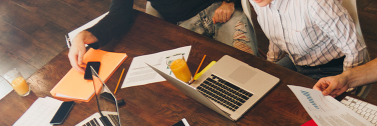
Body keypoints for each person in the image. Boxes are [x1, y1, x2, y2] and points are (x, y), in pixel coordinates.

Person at [68, 0, 258, 72]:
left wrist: (229, 1)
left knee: (247, 70)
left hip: (221, 11)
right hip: (182, 28)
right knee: (203, 85)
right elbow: (119, 13)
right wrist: (86, 34)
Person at [248, 0, 368, 79]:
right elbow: (277, 31)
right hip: (295, 62)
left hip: (332, 70)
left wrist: (347, 85)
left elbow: (355, 49)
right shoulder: (259, 1)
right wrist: (271, 67)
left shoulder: (314, 2)